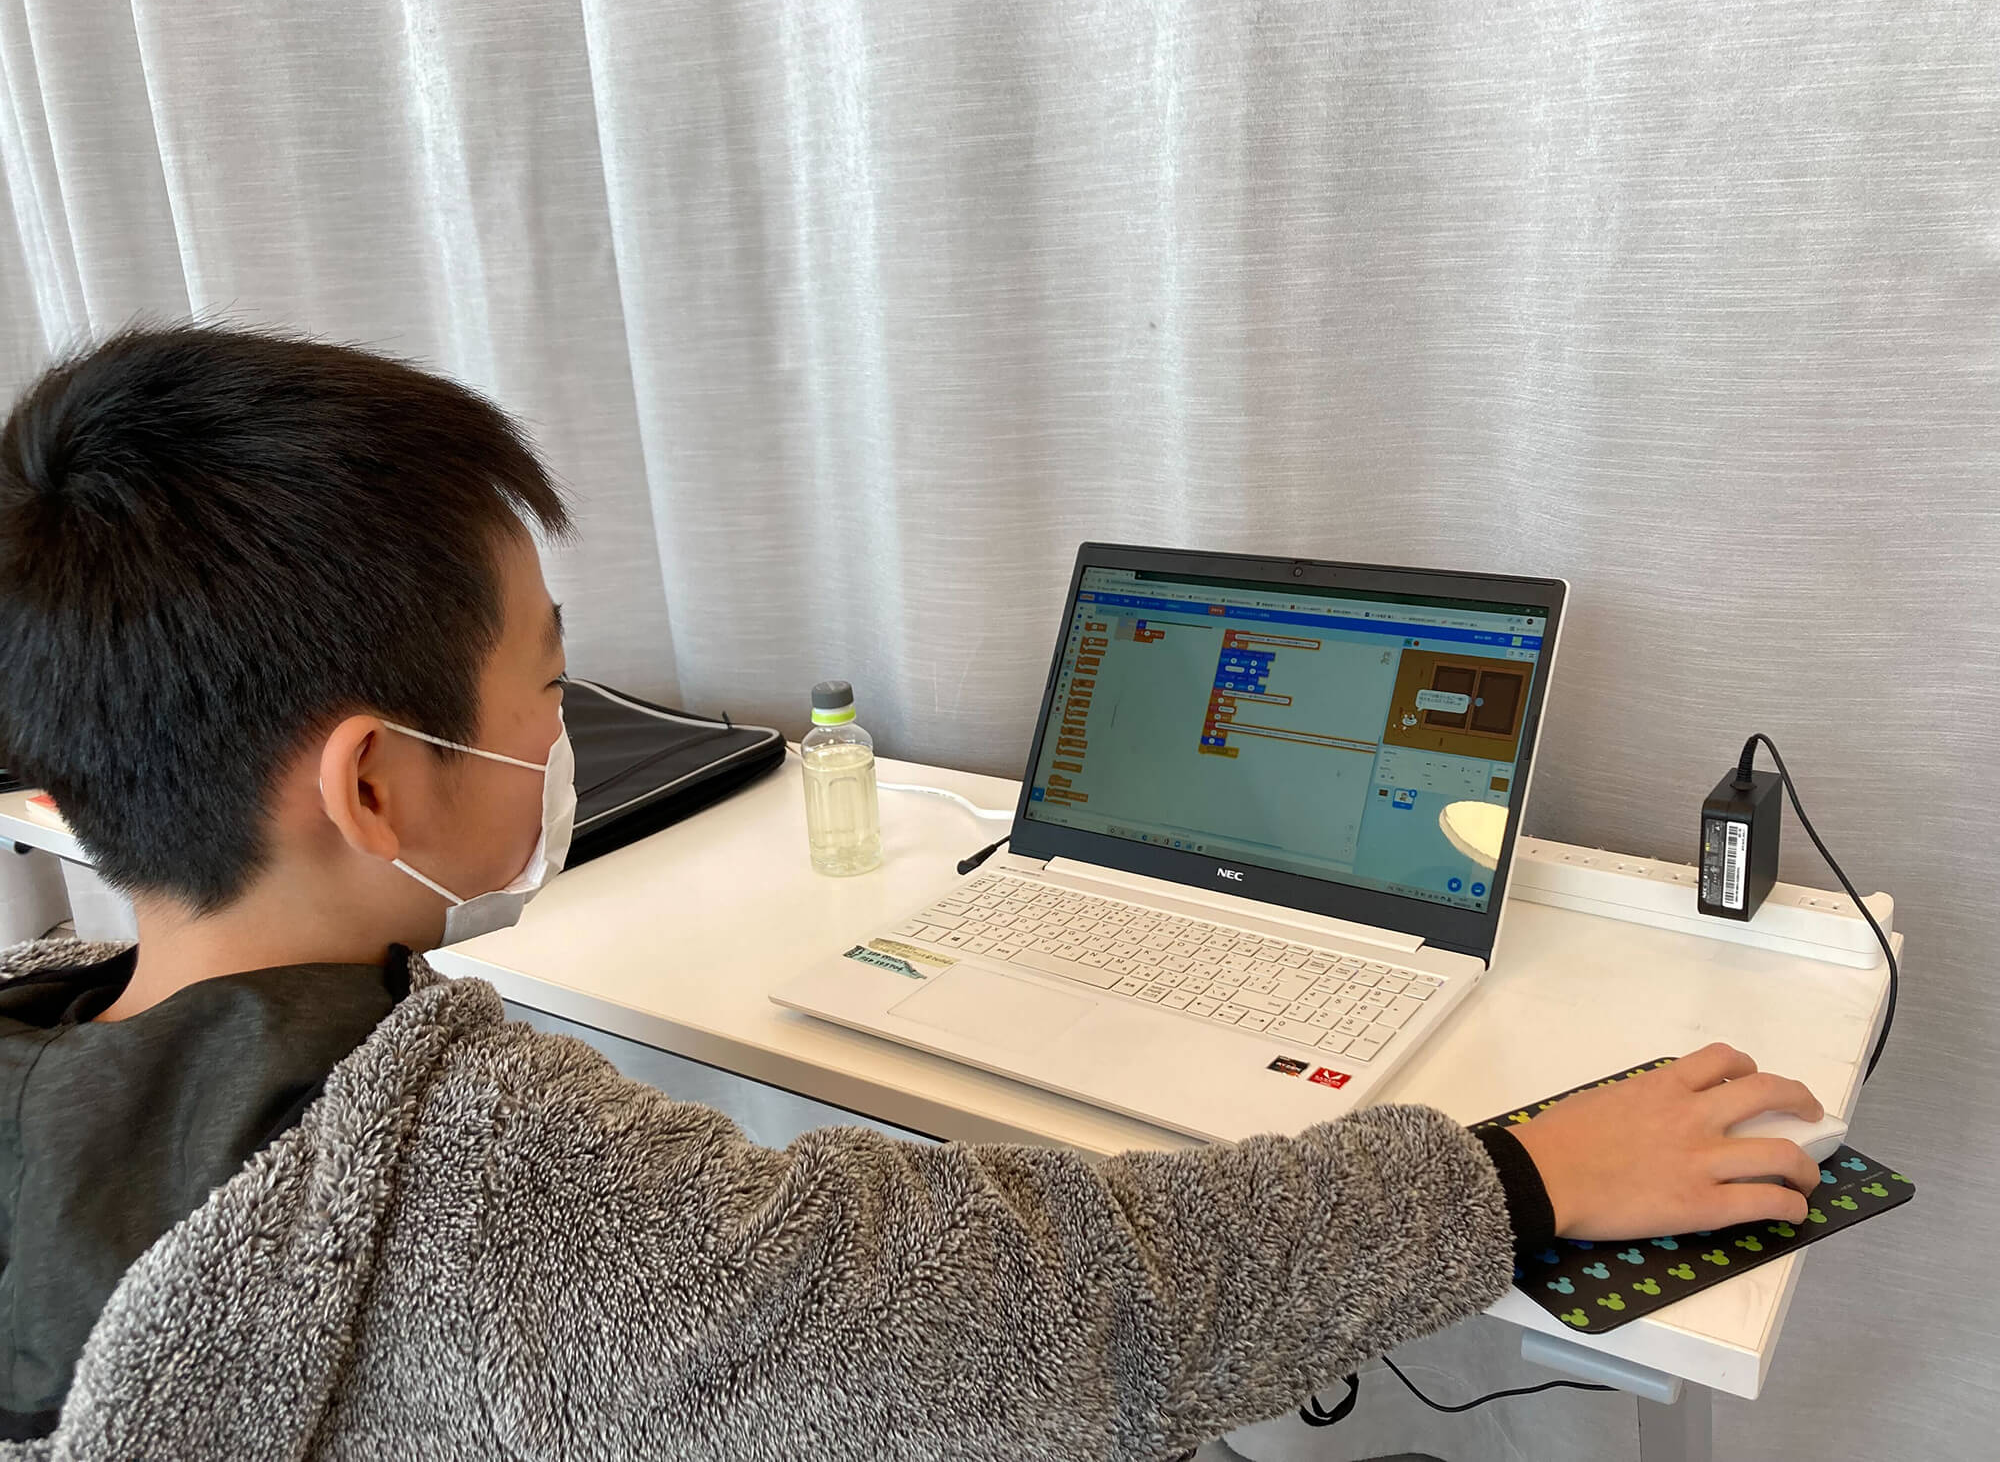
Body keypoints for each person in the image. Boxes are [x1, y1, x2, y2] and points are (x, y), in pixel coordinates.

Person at [0, 327, 1824, 1460]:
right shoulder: (497, 1186)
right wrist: (1516, 1180)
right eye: (548, 683)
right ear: (376, 786)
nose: (565, 729)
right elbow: (1070, 1312)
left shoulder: (47, 1054)